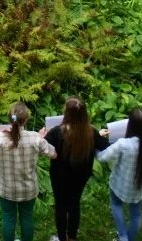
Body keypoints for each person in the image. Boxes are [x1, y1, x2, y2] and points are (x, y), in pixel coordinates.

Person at [0, 102, 56, 241]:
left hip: (6, 189)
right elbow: (53, 154)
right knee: (27, 218)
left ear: (9, 119)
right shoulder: (35, 138)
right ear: (26, 120)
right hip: (29, 189)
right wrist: (42, 138)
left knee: (8, 218)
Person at [96, 109, 142, 241]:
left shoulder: (122, 144)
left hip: (118, 185)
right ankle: (130, 238)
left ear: (129, 125)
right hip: (139, 186)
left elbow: (102, 158)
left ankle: (123, 236)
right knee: (136, 215)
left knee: (116, 205)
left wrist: (94, 146)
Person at [44, 97, 110, 241]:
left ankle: (61, 238)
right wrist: (101, 135)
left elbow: (44, 147)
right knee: (75, 203)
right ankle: (72, 237)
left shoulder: (56, 132)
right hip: (81, 175)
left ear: (66, 113)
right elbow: (105, 146)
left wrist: (43, 136)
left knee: (60, 205)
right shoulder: (91, 132)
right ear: (84, 114)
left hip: (59, 175)